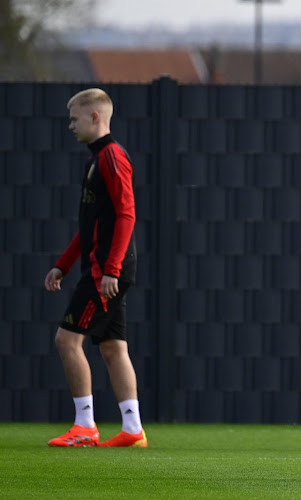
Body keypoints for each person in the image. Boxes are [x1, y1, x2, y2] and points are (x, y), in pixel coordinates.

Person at [44, 88, 147, 448]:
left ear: (94, 117)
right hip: (104, 268)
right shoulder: (95, 160)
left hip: (106, 271)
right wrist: (63, 265)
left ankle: (84, 426)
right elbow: (90, 227)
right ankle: (133, 430)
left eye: (74, 118)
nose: (70, 125)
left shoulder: (112, 158)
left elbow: (126, 213)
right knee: (113, 347)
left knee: (67, 340)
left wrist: (111, 269)